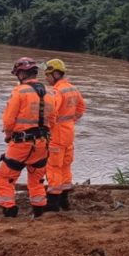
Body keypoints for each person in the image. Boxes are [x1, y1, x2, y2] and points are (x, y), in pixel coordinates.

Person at [0, 57, 56, 218]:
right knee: (36, 180)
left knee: (4, 179)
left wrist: (8, 136)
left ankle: (9, 209)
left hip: (21, 143)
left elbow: (8, 120)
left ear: (21, 74)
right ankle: (39, 212)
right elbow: (53, 121)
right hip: (42, 144)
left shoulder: (19, 92)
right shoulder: (50, 93)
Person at [43, 58, 86, 212]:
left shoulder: (57, 91)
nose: (46, 78)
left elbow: (51, 113)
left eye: (48, 75)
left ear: (55, 73)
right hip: (69, 134)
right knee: (65, 167)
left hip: (57, 136)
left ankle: (53, 204)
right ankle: (64, 201)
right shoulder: (72, 88)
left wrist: (48, 127)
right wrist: (70, 121)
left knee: (54, 168)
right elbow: (81, 108)